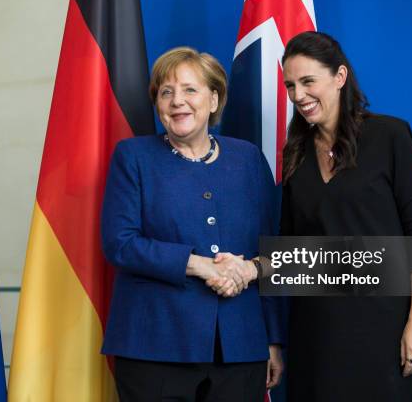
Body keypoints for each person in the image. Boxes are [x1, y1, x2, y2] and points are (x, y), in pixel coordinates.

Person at [101, 46, 284, 401]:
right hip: (155, 345)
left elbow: (270, 247)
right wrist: (198, 265)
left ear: (214, 100)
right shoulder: (133, 157)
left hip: (241, 347)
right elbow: (120, 243)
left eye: (189, 90)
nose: (176, 101)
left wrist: (273, 338)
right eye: (165, 92)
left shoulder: (247, 159)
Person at [280, 31, 412, 401]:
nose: (298, 95)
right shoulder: (295, 153)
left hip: (383, 329)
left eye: (308, 81)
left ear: (340, 77)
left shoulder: (390, 136)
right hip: (314, 334)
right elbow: (290, 247)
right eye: (290, 85)